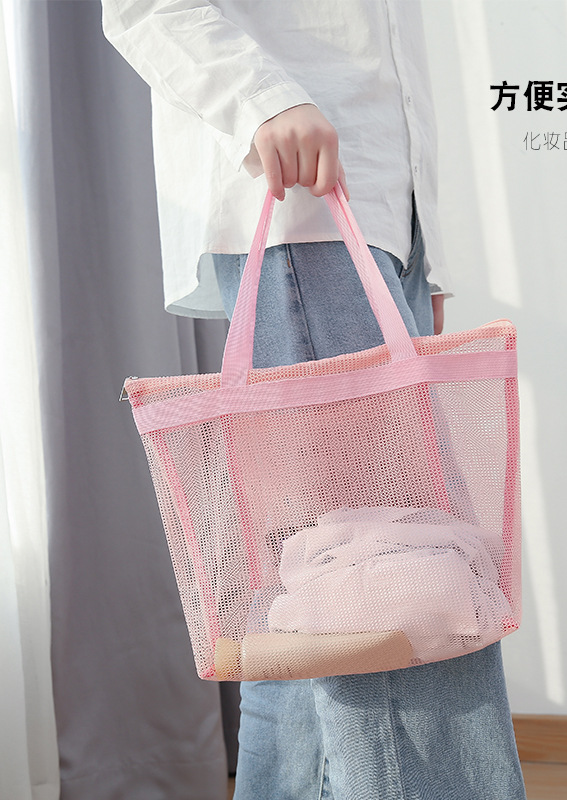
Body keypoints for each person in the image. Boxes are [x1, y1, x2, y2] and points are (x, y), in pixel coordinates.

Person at [102, 3, 526, 798]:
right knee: (398, 587)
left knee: (313, 599)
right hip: (303, 194)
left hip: (375, 210)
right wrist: (264, 97)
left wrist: (421, 248)